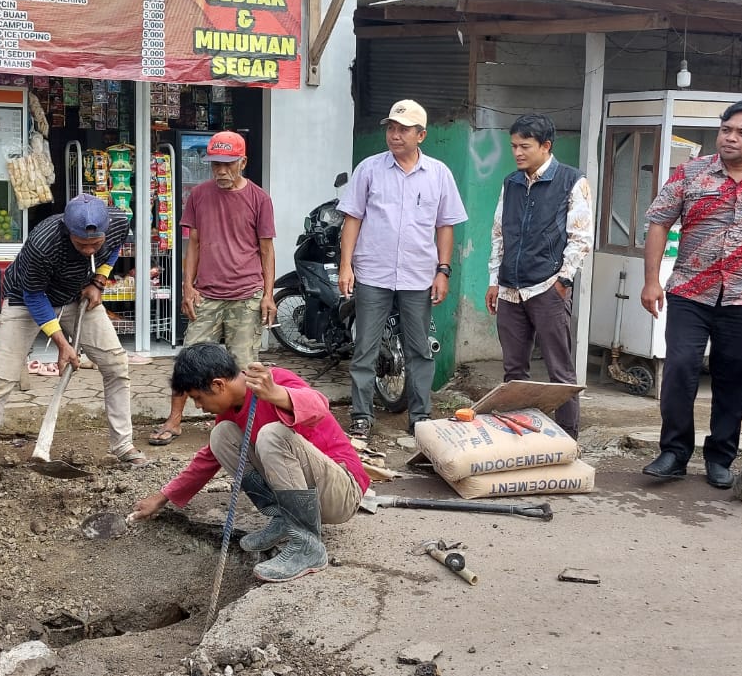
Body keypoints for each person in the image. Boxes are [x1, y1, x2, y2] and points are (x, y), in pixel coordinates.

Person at [0, 195, 149, 503]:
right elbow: (34, 297)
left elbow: (114, 248)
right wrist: (62, 343)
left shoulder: (119, 221)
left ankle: (124, 446)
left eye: (96, 243)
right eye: (83, 245)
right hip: (27, 302)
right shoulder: (43, 242)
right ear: (68, 231)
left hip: (77, 296)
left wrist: (99, 281)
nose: (91, 249)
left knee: (116, 365)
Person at [640, 100, 742, 489]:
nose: (730, 137)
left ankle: (720, 457)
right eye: (726, 129)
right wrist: (651, 280)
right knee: (679, 369)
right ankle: (674, 453)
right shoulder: (690, 172)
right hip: (690, 291)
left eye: (741, 132)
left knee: (734, 378)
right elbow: (659, 224)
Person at [130, 344, 367, 582]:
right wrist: (162, 498)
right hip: (313, 495)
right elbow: (206, 461)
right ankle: (283, 518)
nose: (199, 406)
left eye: (198, 398)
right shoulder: (229, 413)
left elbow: (319, 405)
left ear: (218, 385)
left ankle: (308, 547)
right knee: (221, 436)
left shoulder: (274, 381)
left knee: (272, 435)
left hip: (342, 493)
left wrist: (277, 395)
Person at [338, 99, 468, 436]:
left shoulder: (439, 174)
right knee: (365, 348)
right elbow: (353, 218)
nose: (395, 135)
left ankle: (420, 416)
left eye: (403, 130)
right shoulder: (369, 169)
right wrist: (345, 265)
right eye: (391, 129)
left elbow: (445, 226)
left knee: (419, 348)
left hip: (418, 275)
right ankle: (362, 415)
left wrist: (444, 270)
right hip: (373, 273)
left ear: (421, 135)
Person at [149, 131, 277, 446]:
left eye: (227, 164)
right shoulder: (200, 195)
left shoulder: (259, 199)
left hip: (246, 294)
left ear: (242, 162)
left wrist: (268, 294)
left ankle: (243, 426)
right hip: (206, 293)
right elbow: (192, 243)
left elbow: (266, 250)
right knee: (188, 358)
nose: (220, 171)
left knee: (244, 366)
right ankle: (174, 420)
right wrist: (187, 287)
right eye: (215, 165)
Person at [485, 114, 593, 438]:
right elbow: (499, 233)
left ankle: (568, 437)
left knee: (560, 370)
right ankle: (518, 436)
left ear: (546, 146)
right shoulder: (511, 182)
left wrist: (564, 281)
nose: (517, 152)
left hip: (548, 288)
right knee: (514, 373)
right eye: (514, 146)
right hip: (509, 290)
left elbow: (581, 238)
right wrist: (494, 279)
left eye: (524, 146)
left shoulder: (572, 180)